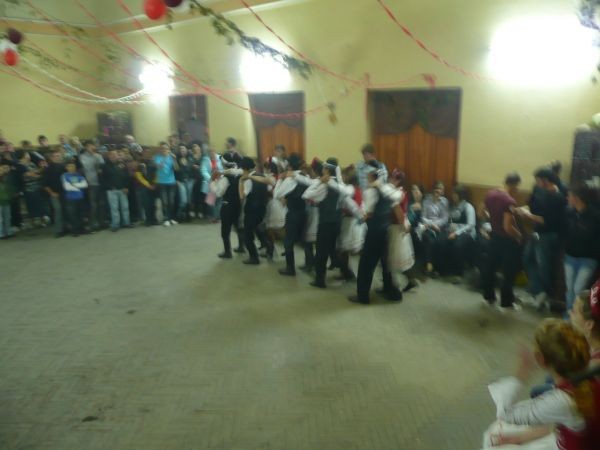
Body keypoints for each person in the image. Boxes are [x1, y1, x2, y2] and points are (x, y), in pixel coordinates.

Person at [480, 319, 600, 449]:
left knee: (493, 436)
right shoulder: (588, 377)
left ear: (541, 359)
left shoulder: (562, 400)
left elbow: (506, 415)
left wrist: (522, 373)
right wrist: (519, 438)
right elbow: (560, 421)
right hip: (575, 441)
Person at [349, 161, 403, 304]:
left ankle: (363, 296)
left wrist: (358, 213)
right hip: (385, 230)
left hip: (374, 231)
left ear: (370, 176)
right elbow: (397, 199)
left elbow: (368, 214)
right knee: (386, 264)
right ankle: (392, 292)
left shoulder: (370, 191)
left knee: (366, 264)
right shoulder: (388, 188)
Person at [516, 168, 567, 310]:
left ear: (545, 181)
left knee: (543, 265)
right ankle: (538, 291)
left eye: (538, 180)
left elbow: (546, 221)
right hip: (536, 232)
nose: (536, 183)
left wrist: (527, 215)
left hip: (548, 235)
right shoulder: (539, 191)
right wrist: (522, 208)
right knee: (526, 259)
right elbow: (531, 204)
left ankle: (545, 294)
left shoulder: (558, 198)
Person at [302, 158, 350, 289]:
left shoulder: (325, 185)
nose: (322, 169)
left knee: (321, 252)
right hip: (337, 220)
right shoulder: (340, 184)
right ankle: (347, 273)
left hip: (326, 222)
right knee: (333, 249)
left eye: (324, 167)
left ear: (327, 170)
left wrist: (319, 181)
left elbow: (306, 195)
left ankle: (320, 280)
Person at [481, 172, 523, 311]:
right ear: (514, 185)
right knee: (508, 271)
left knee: (490, 267)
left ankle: (489, 297)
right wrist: (519, 236)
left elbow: (481, 212)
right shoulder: (509, 201)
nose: (517, 190)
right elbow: (507, 227)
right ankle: (506, 303)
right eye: (517, 187)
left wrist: (493, 218)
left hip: (494, 237)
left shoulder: (490, 194)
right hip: (507, 241)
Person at [563, 184, 600, 316]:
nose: (567, 198)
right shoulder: (569, 213)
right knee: (569, 289)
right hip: (570, 256)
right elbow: (565, 232)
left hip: (588, 259)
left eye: (569, 196)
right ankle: (569, 316)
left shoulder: (595, 216)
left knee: (578, 289)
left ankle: (577, 316)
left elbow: (590, 236)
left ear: (577, 198)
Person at [274, 154, 308, 276]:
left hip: (293, 213)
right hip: (304, 211)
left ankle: (290, 268)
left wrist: (279, 179)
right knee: (305, 240)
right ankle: (310, 263)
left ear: (289, 166)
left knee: (288, 241)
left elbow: (277, 194)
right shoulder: (305, 176)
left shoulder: (290, 179)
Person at [387, 169, 417, 290]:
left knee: (396, 258)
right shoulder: (397, 192)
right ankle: (406, 281)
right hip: (396, 226)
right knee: (397, 257)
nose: (389, 180)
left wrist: (402, 222)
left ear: (398, 181)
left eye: (392, 178)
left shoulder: (398, 194)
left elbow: (400, 215)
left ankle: (395, 287)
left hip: (396, 228)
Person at [440, 184, 476, 282]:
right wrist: (449, 228)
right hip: (453, 231)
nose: (453, 196)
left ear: (461, 195)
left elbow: (471, 225)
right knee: (441, 241)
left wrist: (456, 233)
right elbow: (449, 220)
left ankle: (458, 273)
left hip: (467, 233)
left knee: (457, 245)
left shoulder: (468, 207)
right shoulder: (452, 206)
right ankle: (444, 269)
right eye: (453, 194)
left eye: (455, 194)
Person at [210, 151, 243, 259]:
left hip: (227, 205)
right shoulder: (239, 173)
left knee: (225, 230)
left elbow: (218, 193)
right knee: (238, 226)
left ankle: (227, 252)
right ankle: (241, 246)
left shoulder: (225, 178)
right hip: (237, 204)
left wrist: (212, 182)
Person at [336, 165, 365, 282]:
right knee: (345, 249)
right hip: (351, 221)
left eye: (344, 175)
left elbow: (353, 207)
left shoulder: (351, 189)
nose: (343, 177)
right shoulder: (357, 188)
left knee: (345, 248)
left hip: (350, 221)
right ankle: (346, 272)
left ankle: (347, 273)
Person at [239, 157, 268, 265]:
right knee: (259, 229)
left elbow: (242, 196)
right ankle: (268, 248)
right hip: (262, 208)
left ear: (244, 168)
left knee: (248, 235)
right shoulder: (262, 176)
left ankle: (254, 257)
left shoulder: (247, 180)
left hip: (251, 210)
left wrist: (240, 182)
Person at [421, 181, 449, 277]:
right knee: (429, 240)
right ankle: (429, 266)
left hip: (441, 227)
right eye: (437, 189)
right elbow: (423, 217)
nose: (439, 191)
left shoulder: (445, 201)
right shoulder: (426, 201)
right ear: (433, 190)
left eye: (441, 189)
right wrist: (432, 225)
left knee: (441, 242)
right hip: (428, 226)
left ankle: (438, 268)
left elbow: (445, 218)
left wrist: (437, 225)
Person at [102, 149, 131, 232]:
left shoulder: (122, 165)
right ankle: (115, 225)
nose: (114, 156)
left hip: (123, 190)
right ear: (109, 156)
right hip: (112, 191)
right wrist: (109, 187)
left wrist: (126, 187)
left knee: (125, 207)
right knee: (114, 208)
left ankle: (126, 223)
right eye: (112, 154)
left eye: (116, 154)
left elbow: (127, 176)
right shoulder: (105, 166)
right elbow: (103, 179)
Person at [78, 140, 105, 230]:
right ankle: (93, 224)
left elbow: (102, 167)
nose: (92, 147)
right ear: (86, 147)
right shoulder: (82, 157)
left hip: (100, 182)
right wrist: (93, 157)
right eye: (89, 146)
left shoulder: (98, 156)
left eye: (93, 146)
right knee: (93, 205)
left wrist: (96, 157)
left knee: (101, 203)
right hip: (90, 183)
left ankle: (102, 222)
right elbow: (88, 168)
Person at [570, 287, 600, 366]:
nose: (570, 313)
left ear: (589, 324)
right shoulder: (587, 346)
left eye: (574, 311)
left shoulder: (593, 366)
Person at [153, 142, 179, 227]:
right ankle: (166, 219)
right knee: (165, 202)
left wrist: (174, 160)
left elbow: (176, 168)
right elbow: (159, 167)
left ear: (168, 149)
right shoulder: (156, 157)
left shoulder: (171, 157)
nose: (164, 150)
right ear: (160, 149)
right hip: (161, 182)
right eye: (163, 148)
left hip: (171, 182)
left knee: (171, 201)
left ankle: (171, 218)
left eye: (166, 148)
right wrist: (165, 157)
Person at [42, 150, 66, 237]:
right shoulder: (48, 169)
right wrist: (51, 193)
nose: (57, 157)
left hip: (64, 192)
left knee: (65, 210)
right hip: (54, 194)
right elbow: (44, 184)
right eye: (55, 156)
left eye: (59, 156)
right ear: (51, 158)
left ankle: (65, 227)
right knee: (58, 211)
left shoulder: (63, 167)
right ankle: (59, 230)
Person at [17, 150, 44, 227]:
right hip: (28, 189)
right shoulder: (20, 165)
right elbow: (28, 174)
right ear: (23, 156)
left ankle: (41, 220)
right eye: (27, 154)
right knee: (31, 205)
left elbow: (36, 174)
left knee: (39, 204)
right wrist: (40, 170)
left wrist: (39, 173)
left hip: (36, 187)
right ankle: (34, 221)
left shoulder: (31, 164)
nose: (28, 156)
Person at [61, 161, 88, 236]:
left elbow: (85, 184)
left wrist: (73, 185)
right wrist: (78, 187)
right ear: (66, 167)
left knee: (81, 214)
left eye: (73, 166)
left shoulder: (79, 175)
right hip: (70, 198)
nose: (72, 168)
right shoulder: (64, 175)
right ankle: (75, 231)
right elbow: (67, 187)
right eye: (70, 166)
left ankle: (82, 229)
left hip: (80, 197)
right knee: (73, 215)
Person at [134, 150, 158, 227]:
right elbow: (139, 176)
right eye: (145, 153)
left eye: (148, 153)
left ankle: (154, 219)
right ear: (143, 155)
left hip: (154, 187)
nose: (147, 154)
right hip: (144, 187)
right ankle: (148, 220)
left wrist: (154, 183)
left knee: (153, 204)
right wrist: (148, 185)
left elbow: (157, 173)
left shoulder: (154, 163)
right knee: (146, 205)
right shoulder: (140, 165)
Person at [201, 146, 223, 222]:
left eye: (212, 151)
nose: (211, 153)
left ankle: (217, 217)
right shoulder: (205, 159)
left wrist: (220, 177)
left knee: (219, 201)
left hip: (219, 182)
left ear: (215, 151)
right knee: (210, 201)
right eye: (210, 151)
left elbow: (222, 169)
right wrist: (211, 179)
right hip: (210, 183)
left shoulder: (219, 158)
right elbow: (203, 170)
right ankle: (212, 216)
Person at [176, 145, 195, 221]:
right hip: (180, 182)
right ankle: (178, 215)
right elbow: (175, 171)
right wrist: (176, 180)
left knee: (189, 200)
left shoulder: (190, 158)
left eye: (183, 149)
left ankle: (187, 215)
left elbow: (191, 169)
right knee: (183, 200)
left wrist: (193, 180)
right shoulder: (176, 159)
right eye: (180, 149)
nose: (182, 150)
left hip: (190, 181)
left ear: (186, 150)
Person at [0, 163, 15, 239]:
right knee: (0, 219)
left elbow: (10, 188)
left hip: (6, 200)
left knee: (7, 217)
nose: (2, 171)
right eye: (1, 169)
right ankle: (1, 233)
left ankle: (8, 232)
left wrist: (11, 195)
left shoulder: (7, 178)